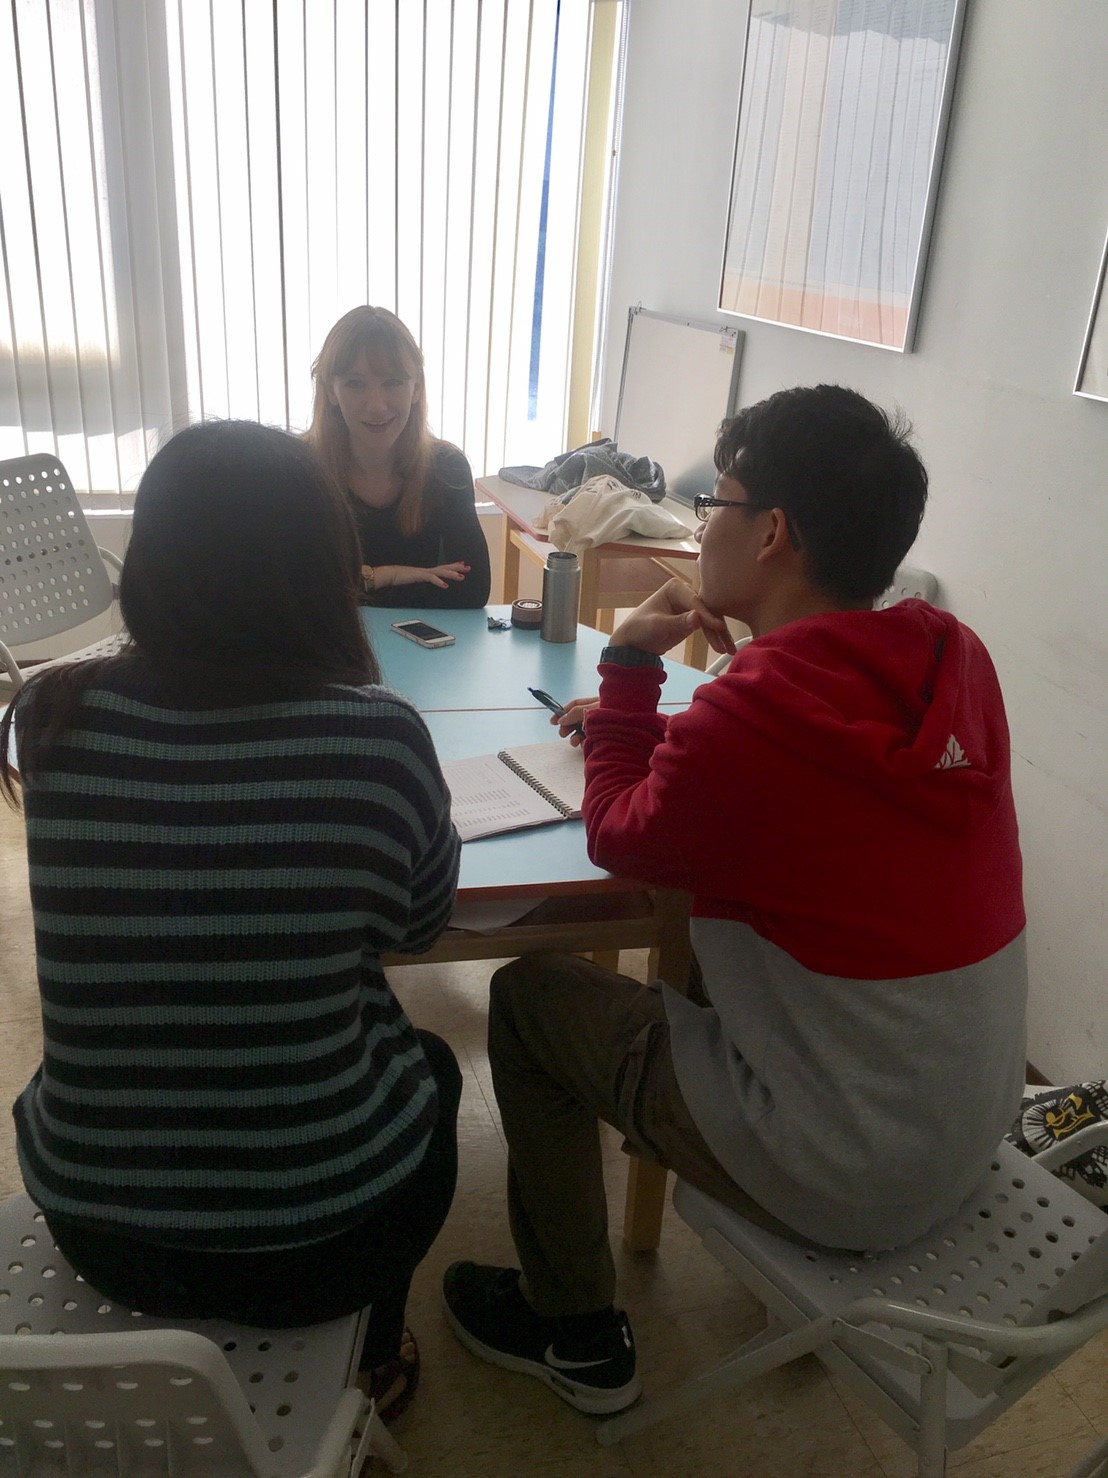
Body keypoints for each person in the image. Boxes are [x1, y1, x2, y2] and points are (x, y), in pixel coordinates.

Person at [440, 384, 1028, 1416]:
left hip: (842, 1173)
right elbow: (814, 784)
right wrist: (683, 727)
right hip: (964, 1130)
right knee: (724, 953)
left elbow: (618, 833)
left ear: (771, 533)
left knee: (532, 1000)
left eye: (717, 501)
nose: (702, 523)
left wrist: (629, 669)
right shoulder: (954, 658)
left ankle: (574, 1332)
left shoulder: (752, 719)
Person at [1, 419, 463, 1422]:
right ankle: (375, 1359)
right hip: (326, 1246)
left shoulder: (51, 717)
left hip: (97, 1224)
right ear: (326, 569)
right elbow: (420, 926)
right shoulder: (379, 739)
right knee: (432, 1065)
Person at [306, 305, 491, 608]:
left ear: (416, 387)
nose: (377, 405)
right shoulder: (300, 471)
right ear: (330, 391)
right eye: (355, 384)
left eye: (392, 382)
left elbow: (472, 590)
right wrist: (390, 576)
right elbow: (297, 591)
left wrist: (355, 585)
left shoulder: (447, 468)